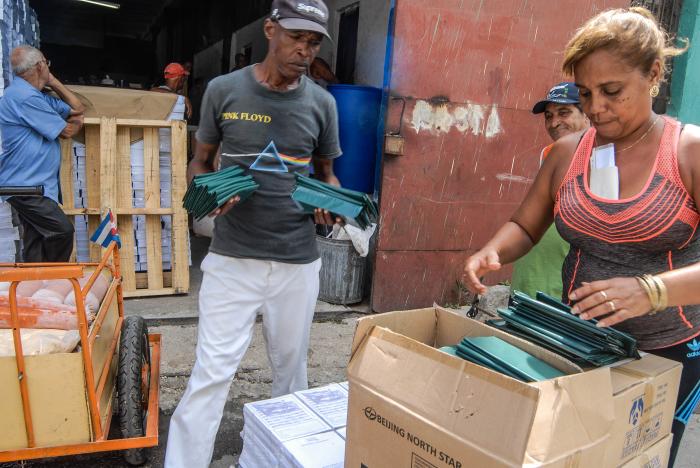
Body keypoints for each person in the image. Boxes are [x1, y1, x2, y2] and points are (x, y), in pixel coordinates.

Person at [463, 8, 698, 466]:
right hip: (577, 337)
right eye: (586, 93)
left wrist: (651, 290)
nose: (595, 108)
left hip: (669, 349)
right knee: (575, 452)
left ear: (652, 75)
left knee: (641, 456)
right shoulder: (568, 153)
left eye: (611, 92)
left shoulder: (687, 153)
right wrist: (492, 250)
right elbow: (527, 225)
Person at [164, 1, 340, 466]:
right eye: (296, 37)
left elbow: (328, 174)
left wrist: (331, 201)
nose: (304, 49)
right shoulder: (225, 91)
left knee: (291, 375)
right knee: (210, 374)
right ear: (269, 30)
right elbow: (199, 162)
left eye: (314, 41)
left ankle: (277, 460)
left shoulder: (322, 103)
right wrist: (204, 194)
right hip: (232, 259)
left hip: (297, 261)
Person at [0, 45, 85, 262]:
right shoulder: (24, 97)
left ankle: (36, 290)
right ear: (40, 65)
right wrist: (75, 124)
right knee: (62, 230)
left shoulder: (33, 95)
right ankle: (53, 280)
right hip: (25, 186)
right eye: (47, 64)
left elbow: (77, 107)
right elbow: (66, 131)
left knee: (36, 240)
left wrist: (52, 81)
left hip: (33, 184)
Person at [510, 82, 589, 298]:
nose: (554, 122)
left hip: (562, 294)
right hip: (528, 283)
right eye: (548, 115)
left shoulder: (604, 160)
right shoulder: (549, 156)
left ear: (588, 115)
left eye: (564, 113)